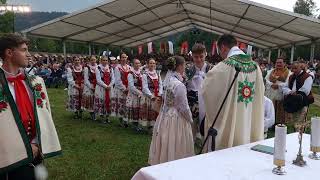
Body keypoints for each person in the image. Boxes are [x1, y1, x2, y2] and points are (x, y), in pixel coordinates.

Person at [0, 34, 61, 179]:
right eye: (24, 50)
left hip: (35, 150)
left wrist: (37, 143)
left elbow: (45, 115)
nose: (29, 55)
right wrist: (24, 148)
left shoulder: (37, 82)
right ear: (9, 53)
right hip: (8, 155)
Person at [201, 34, 264, 152]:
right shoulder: (255, 67)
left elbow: (206, 90)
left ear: (223, 47)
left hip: (230, 124)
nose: (221, 55)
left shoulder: (223, 67)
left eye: (220, 52)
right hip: (248, 122)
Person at [148, 56, 194, 165]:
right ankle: (175, 162)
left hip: (165, 115)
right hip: (176, 118)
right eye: (184, 65)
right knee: (176, 141)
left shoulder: (167, 81)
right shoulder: (179, 85)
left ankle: (164, 160)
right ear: (179, 66)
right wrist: (190, 119)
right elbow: (183, 107)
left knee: (166, 140)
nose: (185, 67)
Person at [185, 43, 213, 142]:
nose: (199, 59)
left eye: (201, 56)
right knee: (191, 130)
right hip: (192, 104)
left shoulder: (212, 69)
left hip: (207, 103)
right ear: (192, 56)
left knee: (206, 129)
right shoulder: (188, 69)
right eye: (196, 57)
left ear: (205, 54)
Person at [265, 58, 290, 124]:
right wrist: (271, 84)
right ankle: (270, 122)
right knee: (270, 108)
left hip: (280, 94)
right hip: (271, 93)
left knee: (280, 109)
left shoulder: (288, 73)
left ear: (284, 63)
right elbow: (266, 80)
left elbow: (288, 83)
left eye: (280, 62)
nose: (278, 64)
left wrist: (278, 85)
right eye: (277, 63)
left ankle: (279, 123)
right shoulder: (271, 71)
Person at [140, 58, 163, 129]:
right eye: (150, 63)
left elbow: (160, 85)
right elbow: (144, 87)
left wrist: (160, 94)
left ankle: (155, 126)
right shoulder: (145, 75)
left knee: (156, 111)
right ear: (147, 65)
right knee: (149, 111)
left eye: (153, 63)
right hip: (149, 96)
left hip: (157, 95)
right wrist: (151, 96)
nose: (152, 65)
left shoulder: (157, 74)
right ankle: (150, 127)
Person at [112, 52, 131, 127]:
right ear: (120, 58)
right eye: (122, 57)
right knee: (120, 105)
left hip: (128, 89)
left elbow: (131, 79)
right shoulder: (117, 68)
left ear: (127, 58)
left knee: (127, 105)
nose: (124, 59)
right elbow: (117, 80)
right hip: (120, 89)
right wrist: (124, 88)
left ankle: (126, 120)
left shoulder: (129, 67)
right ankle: (121, 121)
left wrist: (129, 88)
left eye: (125, 57)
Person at [94, 56, 114, 124]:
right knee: (101, 102)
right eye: (103, 60)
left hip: (109, 88)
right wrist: (106, 86)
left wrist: (110, 85)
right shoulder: (98, 68)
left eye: (106, 60)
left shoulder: (110, 68)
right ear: (101, 61)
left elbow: (113, 78)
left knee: (109, 101)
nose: (105, 61)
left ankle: (108, 117)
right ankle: (102, 117)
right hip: (101, 88)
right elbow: (98, 80)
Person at [125, 58, 143, 131]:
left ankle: (137, 124)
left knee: (139, 109)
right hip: (133, 94)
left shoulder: (141, 72)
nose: (138, 64)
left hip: (140, 93)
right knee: (134, 109)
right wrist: (139, 93)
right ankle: (134, 125)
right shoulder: (130, 73)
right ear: (132, 64)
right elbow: (131, 86)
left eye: (139, 63)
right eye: (136, 63)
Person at [82, 55, 98, 121]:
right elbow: (86, 79)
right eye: (92, 60)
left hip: (97, 85)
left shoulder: (98, 67)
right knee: (91, 100)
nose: (93, 61)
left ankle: (96, 112)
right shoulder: (87, 68)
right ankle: (92, 114)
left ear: (96, 60)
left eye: (94, 59)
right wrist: (90, 87)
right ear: (89, 60)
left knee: (96, 99)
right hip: (90, 85)